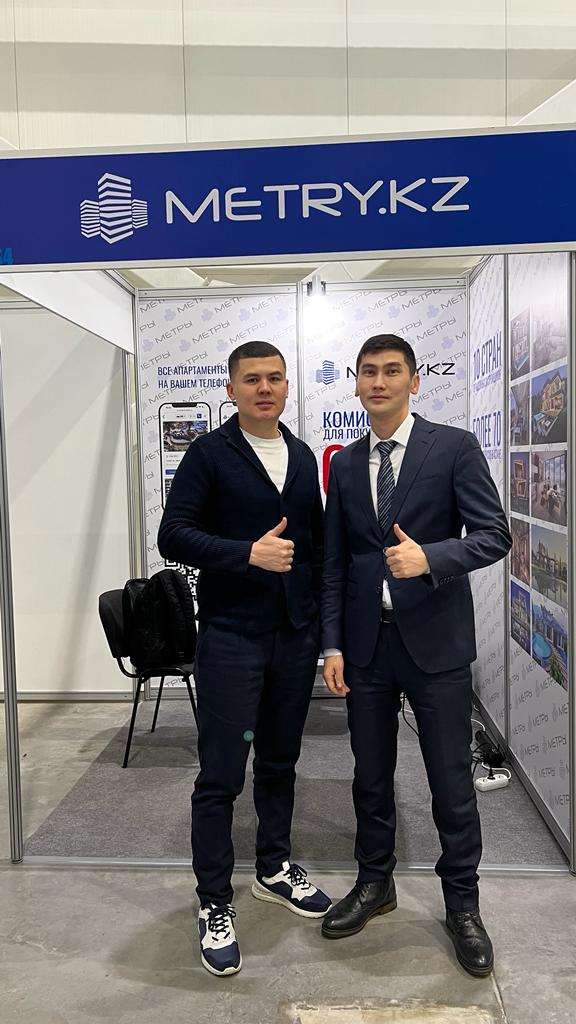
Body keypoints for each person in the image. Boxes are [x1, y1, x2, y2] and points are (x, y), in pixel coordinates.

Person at [320, 334, 512, 977]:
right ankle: (375, 883)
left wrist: (431, 556)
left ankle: (463, 906)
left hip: (436, 645)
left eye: (392, 371)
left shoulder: (453, 447)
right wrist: (332, 644)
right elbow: (335, 563)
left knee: (451, 783)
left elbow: (494, 535)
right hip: (366, 647)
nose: (379, 382)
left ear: (414, 381)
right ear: (356, 384)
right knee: (370, 777)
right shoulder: (346, 464)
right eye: (368, 372)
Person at [158, 341, 330, 977]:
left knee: (280, 762)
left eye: (275, 379)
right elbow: (173, 535)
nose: (265, 388)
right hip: (232, 636)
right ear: (230, 390)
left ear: (287, 387)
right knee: (221, 776)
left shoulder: (302, 454)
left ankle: (273, 868)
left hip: (293, 636)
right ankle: (213, 900)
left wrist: (322, 631)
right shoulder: (208, 453)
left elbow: (313, 548)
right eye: (252, 379)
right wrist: (245, 554)